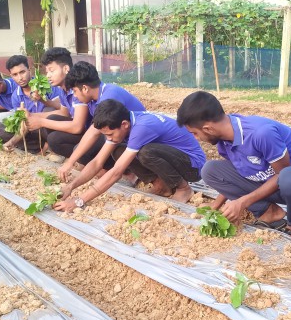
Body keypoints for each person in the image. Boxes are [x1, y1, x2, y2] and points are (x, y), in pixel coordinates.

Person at [176, 91, 291, 237]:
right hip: (274, 185)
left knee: (289, 176)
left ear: (208, 129)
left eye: (195, 133)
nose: (196, 138)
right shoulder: (223, 142)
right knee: (210, 170)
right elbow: (236, 175)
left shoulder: (261, 133)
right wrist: (216, 205)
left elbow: (283, 174)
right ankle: (268, 212)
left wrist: (242, 202)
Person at [54, 99, 206, 212]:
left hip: (193, 165)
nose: (109, 138)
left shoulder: (142, 127)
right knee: (118, 150)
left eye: (110, 134)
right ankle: (162, 186)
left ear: (124, 124)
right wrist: (71, 186)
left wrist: (80, 201)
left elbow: (116, 173)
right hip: (174, 158)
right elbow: (97, 162)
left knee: (147, 152)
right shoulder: (124, 125)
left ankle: (183, 188)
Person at [56, 61, 146, 182]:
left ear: (85, 88)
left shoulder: (109, 96)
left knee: (92, 147)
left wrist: (70, 162)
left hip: (137, 137)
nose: (75, 96)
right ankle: (112, 169)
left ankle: (131, 174)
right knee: (83, 149)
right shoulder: (94, 99)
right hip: (123, 135)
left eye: (75, 91)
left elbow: (93, 132)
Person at [22, 48, 95, 162]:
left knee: (54, 139)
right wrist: (33, 115)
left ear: (66, 69)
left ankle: (84, 160)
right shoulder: (62, 89)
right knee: (52, 118)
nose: (48, 76)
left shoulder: (77, 89)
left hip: (92, 133)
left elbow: (77, 127)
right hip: (83, 130)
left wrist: (41, 122)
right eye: (47, 72)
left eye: (51, 71)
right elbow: (63, 113)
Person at [0, 55, 61, 153]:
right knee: (0, 128)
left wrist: (42, 100)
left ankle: (50, 145)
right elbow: (23, 124)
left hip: (49, 127)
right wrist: (12, 142)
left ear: (29, 70)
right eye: (15, 74)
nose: (20, 78)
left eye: (22, 72)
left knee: (49, 111)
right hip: (31, 129)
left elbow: (62, 109)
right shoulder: (16, 96)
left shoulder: (46, 84)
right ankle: (37, 147)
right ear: (11, 76)